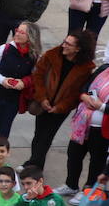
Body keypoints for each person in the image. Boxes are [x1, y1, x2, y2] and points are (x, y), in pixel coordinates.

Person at [24, 30, 96, 170]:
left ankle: (35, 166)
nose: (64, 45)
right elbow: (38, 76)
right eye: (64, 41)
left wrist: (60, 107)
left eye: (68, 44)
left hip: (60, 109)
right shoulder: (52, 55)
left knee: (47, 136)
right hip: (43, 102)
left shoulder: (86, 68)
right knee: (38, 134)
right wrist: (42, 98)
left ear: (78, 48)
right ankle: (33, 162)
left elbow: (77, 93)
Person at [0, 22, 40, 139]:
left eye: (21, 32)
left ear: (30, 37)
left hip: (14, 99)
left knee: (5, 128)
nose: (17, 33)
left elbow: (35, 76)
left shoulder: (34, 55)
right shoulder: (5, 49)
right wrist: (2, 80)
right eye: (17, 30)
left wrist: (23, 82)